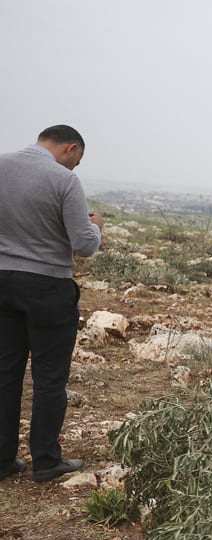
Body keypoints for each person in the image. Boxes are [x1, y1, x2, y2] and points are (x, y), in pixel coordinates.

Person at [0, 125, 103, 483]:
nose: (74, 168)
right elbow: (84, 244)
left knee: (5, 373)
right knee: (49, 378)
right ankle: (45, 460)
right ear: (70, 149)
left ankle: (2, 460)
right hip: (48, 287)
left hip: (2, 281)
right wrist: (97, 228)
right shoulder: (63, 180)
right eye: (76, 160)